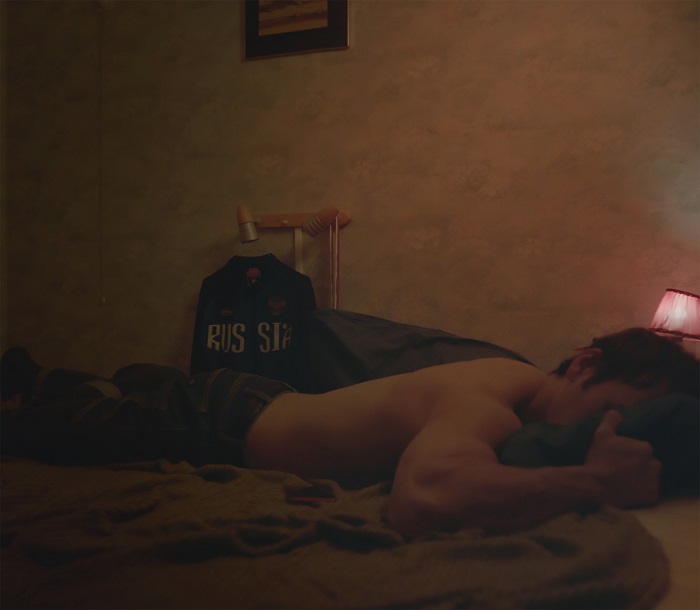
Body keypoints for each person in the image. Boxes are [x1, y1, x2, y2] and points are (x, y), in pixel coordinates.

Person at [2, 328, 698, 540]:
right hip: (218, 421)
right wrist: (595, 482)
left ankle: (51, 376)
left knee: (107, 396)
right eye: (611, 411)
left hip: (253, 400)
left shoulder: (511, 386)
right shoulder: (491, 405)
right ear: (584, 364)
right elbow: (423, 499)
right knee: (40, 434)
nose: (611, 429)